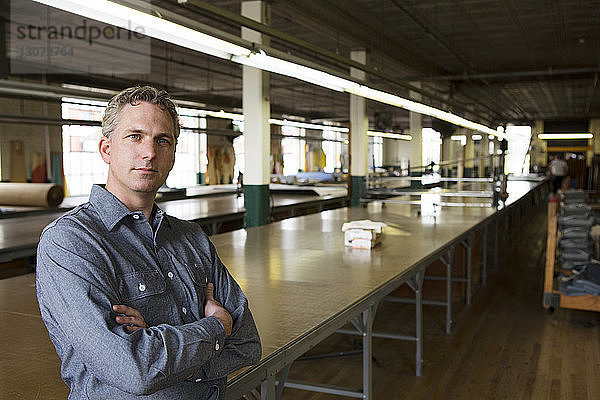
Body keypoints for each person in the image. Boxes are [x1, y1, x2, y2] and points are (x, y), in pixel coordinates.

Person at [36, 86, 261, 399]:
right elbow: (133, 369)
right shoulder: (70, 242)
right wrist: (217, 327)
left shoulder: (191, 238)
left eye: (162, 140)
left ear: (171, 156)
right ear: (106, 150)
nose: (150, 152)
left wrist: (157, 344)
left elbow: (247, 344)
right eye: (135, 136)